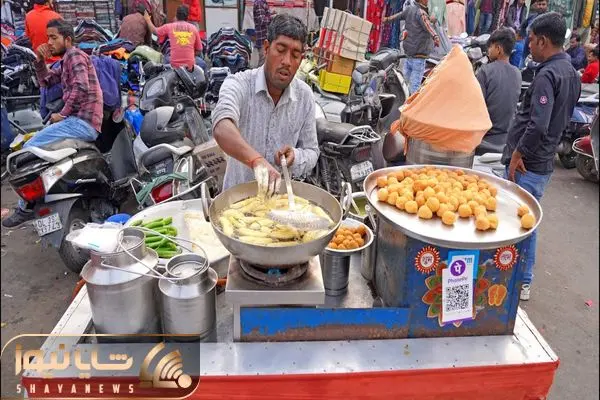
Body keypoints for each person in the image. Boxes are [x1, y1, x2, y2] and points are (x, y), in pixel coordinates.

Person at [501, 12, 581, 301]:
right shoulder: (571, 72)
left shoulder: (547, 75)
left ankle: (519, 280)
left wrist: (517, 154)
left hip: (529, 164)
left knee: (521, 223)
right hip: (544, 161)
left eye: (532, 40)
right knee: (527, 221)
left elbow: (538, 125)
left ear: (543, 41)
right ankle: (518, 278)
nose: (529, 45)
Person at [3, 18, 103, 228]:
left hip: (81, 122)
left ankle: (25, 208)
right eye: (48, 38)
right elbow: (47, 81)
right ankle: (37, 202)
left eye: (54, 37)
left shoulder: (75, 55)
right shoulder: (66, 60)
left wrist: (63, 115)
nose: (49, 42)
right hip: (79, 121)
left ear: (68, 39)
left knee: (30, 148)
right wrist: (39, 61)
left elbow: (81, 87)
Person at [211, 14, 318, 196]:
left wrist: (295, 156)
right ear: (267, 49)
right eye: (281, 50)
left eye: (295, 55)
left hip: (280, 203)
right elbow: (222, 126)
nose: (287, 61)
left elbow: (312, 151)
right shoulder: (239, 84)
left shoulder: (305, 96)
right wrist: (256, 161)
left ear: (301, 60)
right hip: (237, 202)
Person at [383, 0, 440, 94]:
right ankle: (411, 101)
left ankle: (402, 97)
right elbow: (428, 26)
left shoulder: (409, 9)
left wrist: (387, 19)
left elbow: (398, 16)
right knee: (415, 84)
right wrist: (435, 37)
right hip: (419, 54)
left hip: (409, 52)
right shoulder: (421, 13)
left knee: (405, 80)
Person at [476, 28, 521, 140]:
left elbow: (476, 107)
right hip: (506, 135)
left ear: (498, 49)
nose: (488, 50)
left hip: (486, 135)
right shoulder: (517, 73)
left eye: (490, 47)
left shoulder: (485, 71)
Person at [144, 5, 205, 71]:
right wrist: (188, 54)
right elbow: (199, 50)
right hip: (190, 67)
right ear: (187, 17)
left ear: (176, 16)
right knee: (202, 63)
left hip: (174, 66)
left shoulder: (170, 26)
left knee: (163, 61)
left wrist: (147, 19)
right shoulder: (194, 28)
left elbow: (154, 31)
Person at [519, 0, 548, 68]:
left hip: (540, 54)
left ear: (547, 6)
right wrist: (523, 37)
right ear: (536, 5)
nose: (541, 6)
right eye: (539, 4)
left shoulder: (549, 19)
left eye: (543, 4)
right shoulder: (531, 17)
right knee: (521, 69)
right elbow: (523, 27)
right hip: (526, 52)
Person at [253, 0, 275, 67]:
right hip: (262, 37)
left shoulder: (263, 3)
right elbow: (262, 20)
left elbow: (263, 16)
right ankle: (258, 73)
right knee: (262, 60)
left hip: (264, 36)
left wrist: (270, 14)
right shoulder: (259, 3)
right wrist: (272, 18)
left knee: (265, 59)